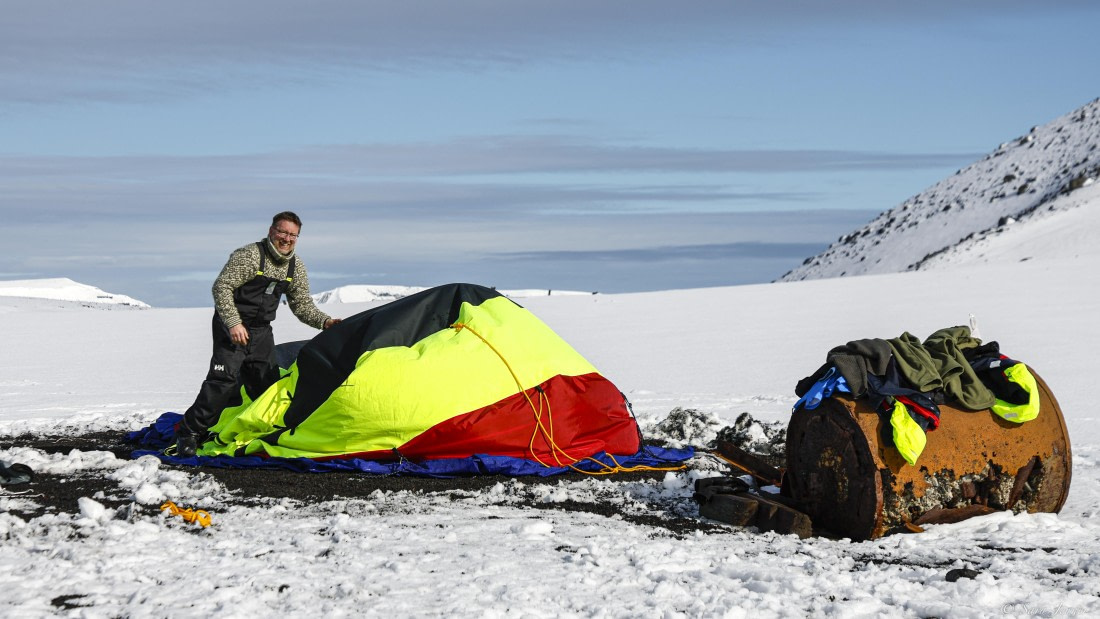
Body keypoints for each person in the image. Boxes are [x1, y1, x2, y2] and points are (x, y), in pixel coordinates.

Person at [174, 211, 341, 457]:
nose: (287, 239)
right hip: (231, 327)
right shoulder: (250, 256)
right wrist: (233, 323)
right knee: (223, 381)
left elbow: (302, 305)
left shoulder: (295, 266)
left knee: (266, 385)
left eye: (293, 235)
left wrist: (325, 322)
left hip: (261, 331)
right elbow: (222, 287)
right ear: (272, 230)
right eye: (283, 232)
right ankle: (189, 432)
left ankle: (255, 428)